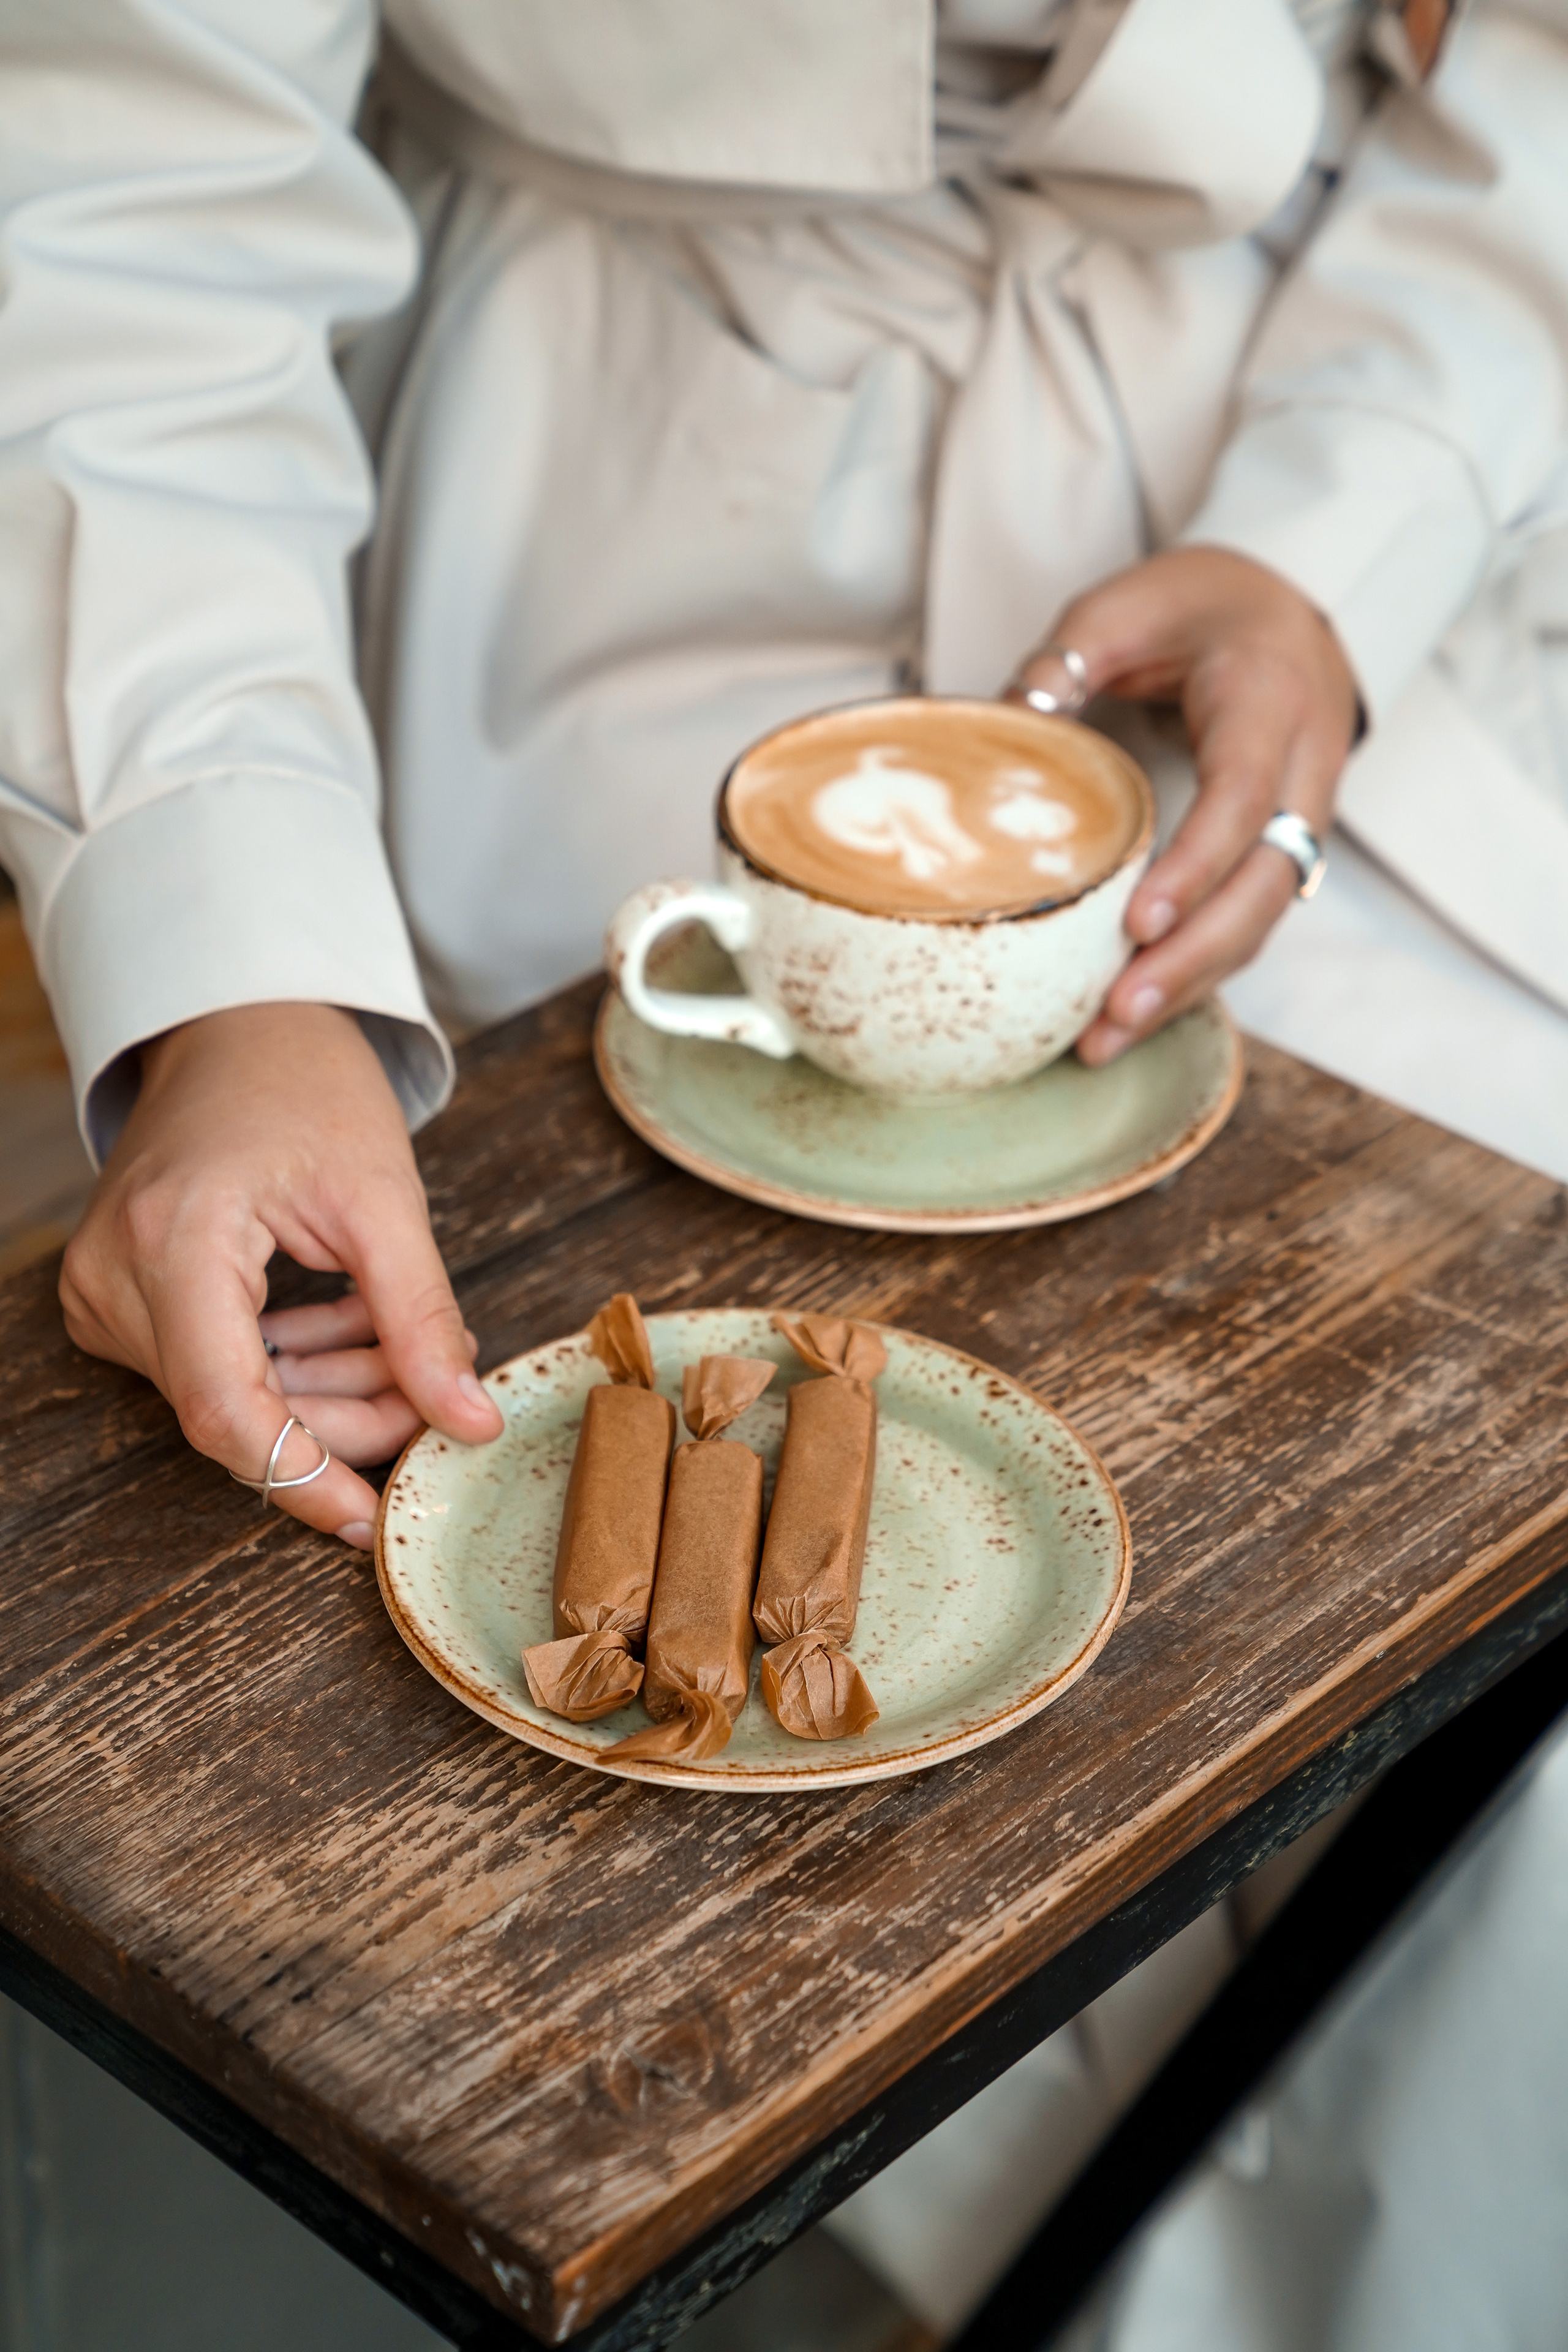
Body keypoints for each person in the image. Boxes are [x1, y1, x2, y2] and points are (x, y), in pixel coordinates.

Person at [4, 0, 1565, 1545]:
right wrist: (228, 978)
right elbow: (123, 199)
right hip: (599, 473)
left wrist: (1351, 530)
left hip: (1304, 395)